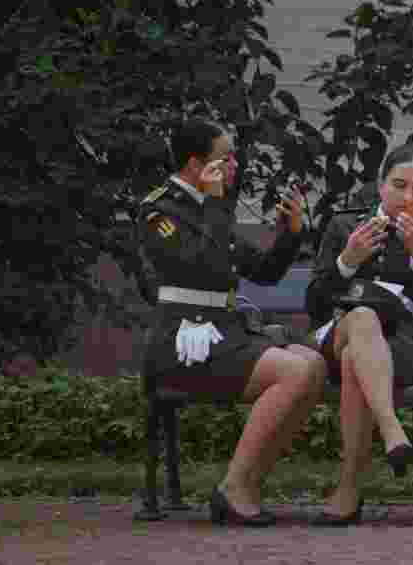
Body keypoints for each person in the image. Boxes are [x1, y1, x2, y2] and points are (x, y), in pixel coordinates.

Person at [138, 120, 327, 527]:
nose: (235, 164)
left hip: (226, 331)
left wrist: (290, 236)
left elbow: (262, 272)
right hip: (185, 341)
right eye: (225, 157)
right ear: (195, 164)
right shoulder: (159, 209)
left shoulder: (213, 206)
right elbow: (200, 267)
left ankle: (246, 484)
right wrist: (213, 204)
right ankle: (233, 489)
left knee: (313, 367)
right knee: (294, 371)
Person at [305, 143, 413, 525]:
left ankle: (348, 492)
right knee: (361, 322)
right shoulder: (344, 226)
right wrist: (347, 261)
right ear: (380, 184)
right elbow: (314, 307)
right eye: (399, 185)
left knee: (361, 355)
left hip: (401, 346)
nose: (408, 197)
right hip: (337, 334)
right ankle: (391, 430)